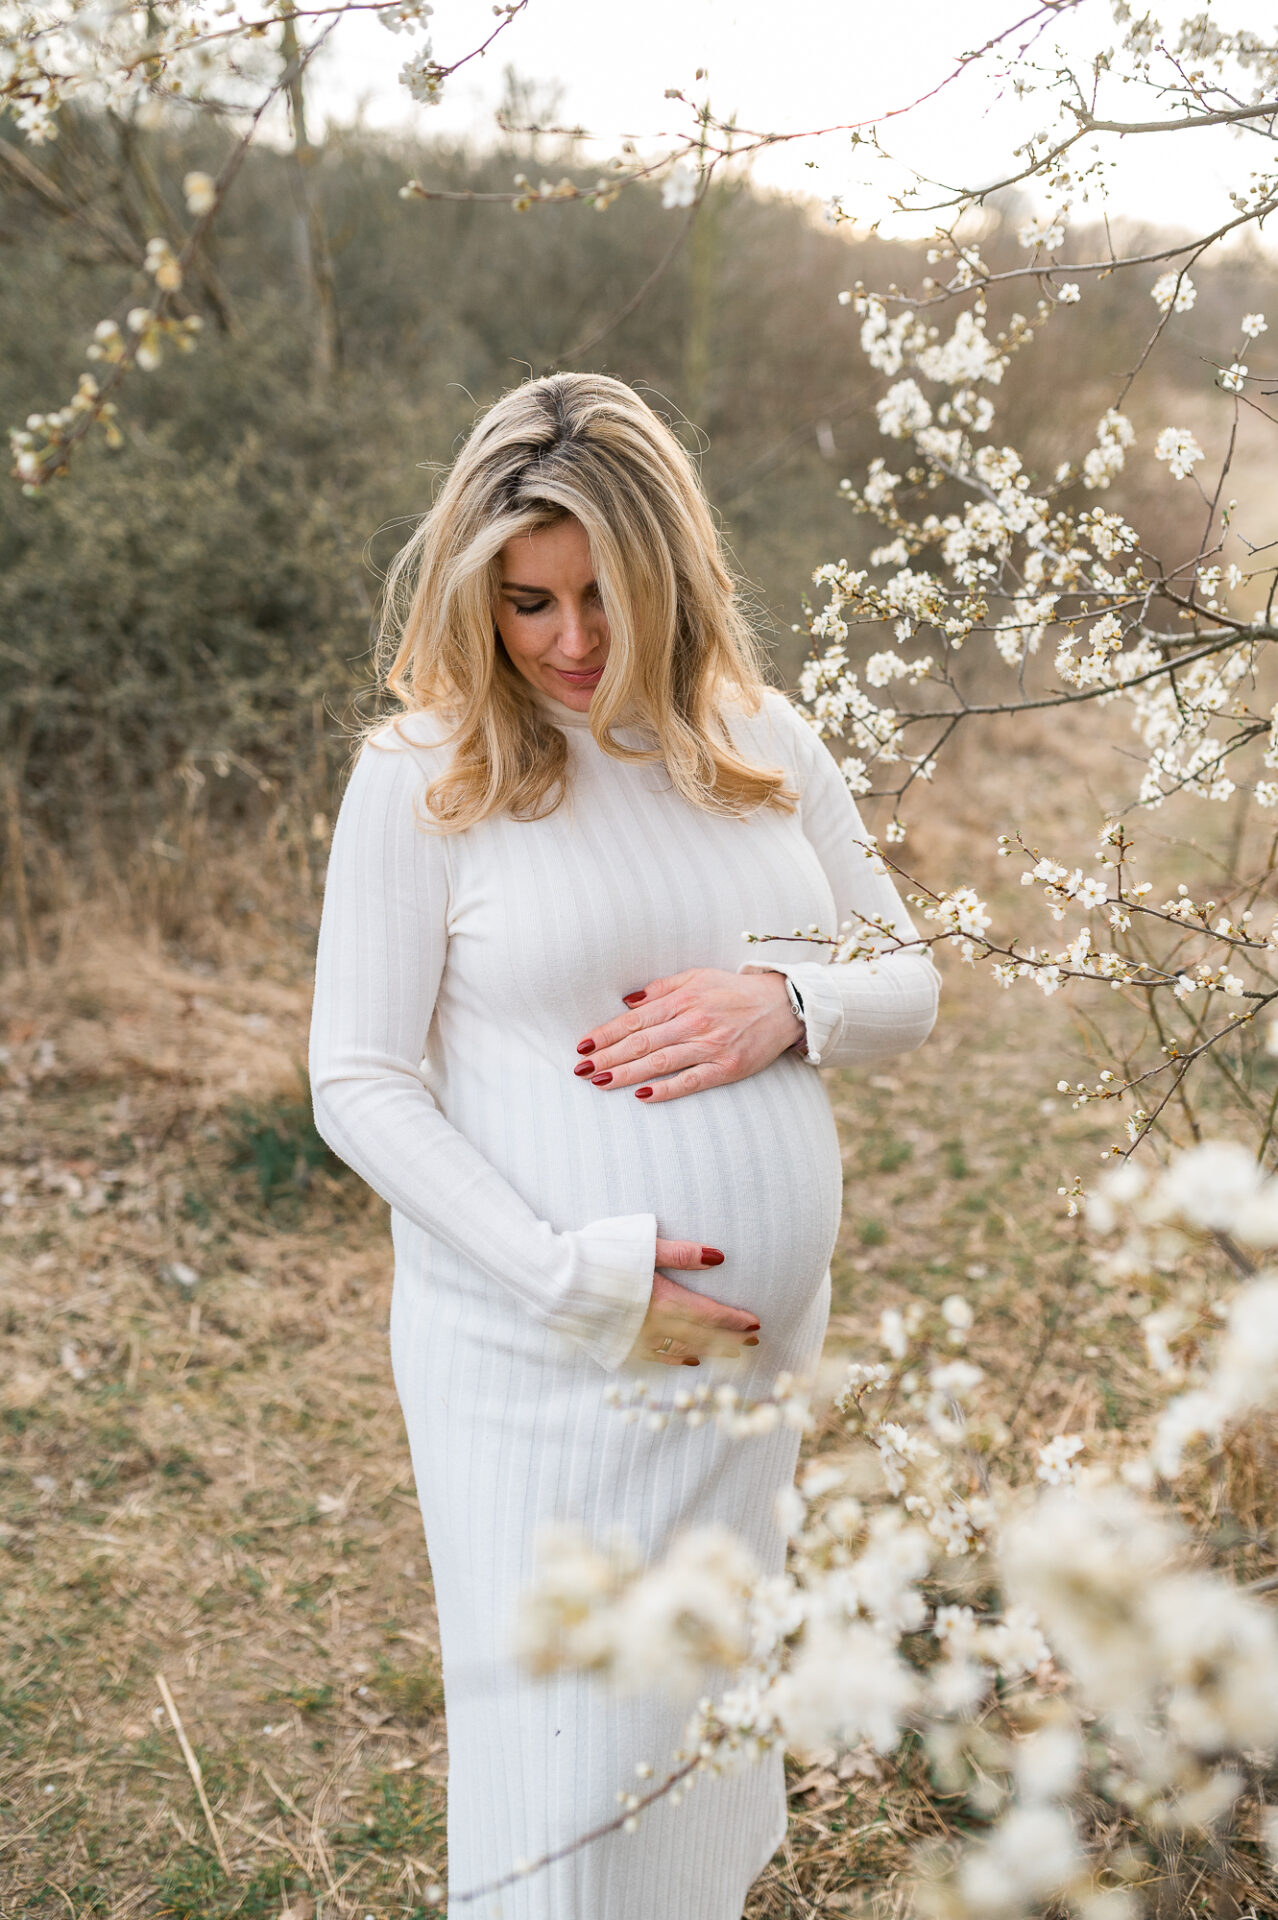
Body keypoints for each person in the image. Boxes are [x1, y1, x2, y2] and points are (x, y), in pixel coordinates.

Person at [308, 371, 941, 1918]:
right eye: (528, 602)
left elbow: (905, 976)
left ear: (674, 574)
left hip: (746, 1361)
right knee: (567, 1790)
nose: (573, 644)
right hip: (542, 1355)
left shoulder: (757, 736)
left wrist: (785, 1001)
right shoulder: (422, 779)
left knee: (685, 1738)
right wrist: (581, 1278)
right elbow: (358, 1079)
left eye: (607, 595)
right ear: (476, 587)